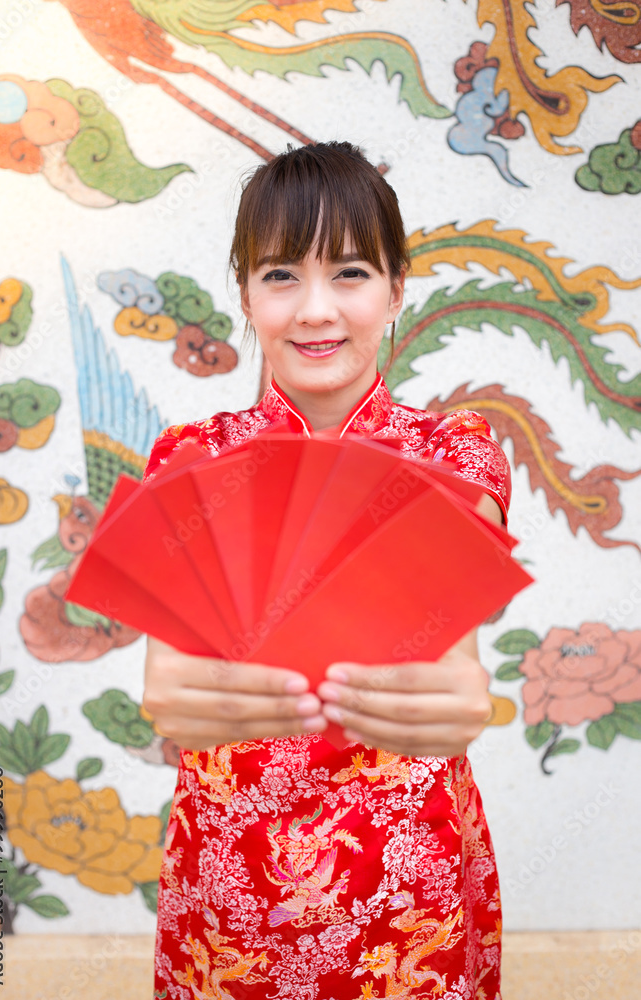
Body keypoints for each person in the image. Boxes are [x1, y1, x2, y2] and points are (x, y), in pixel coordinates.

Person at [143, 141, 509, 1000]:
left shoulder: (456, 456)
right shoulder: (190, 459)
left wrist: (460, 695)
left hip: (403, 874)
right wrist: (173, 694)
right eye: (280, 275)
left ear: (394, 289)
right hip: (231, 871)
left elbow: (454, 658)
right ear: (244, 294)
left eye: (348, 272)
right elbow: (169, 679)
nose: (316, 310)